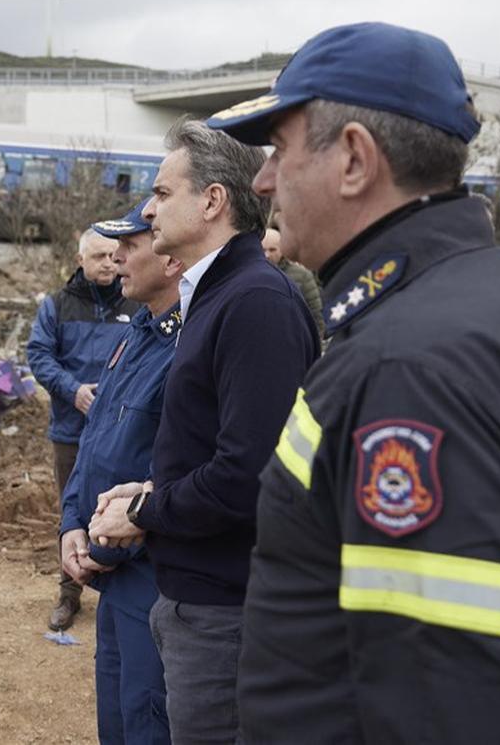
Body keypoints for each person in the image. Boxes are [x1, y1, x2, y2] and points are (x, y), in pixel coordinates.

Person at [204, 21, 500, 743]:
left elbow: (453, 705)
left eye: (280, 151)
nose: (262, 181)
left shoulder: (406, 367)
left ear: (354, 159)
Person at [88, 121, 319, 745]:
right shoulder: (218, 296)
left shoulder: (253, 302)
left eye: (162, 194)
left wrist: (147, 507)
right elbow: (220, 446)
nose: (147, 208)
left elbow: (251, 477)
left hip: (225, 608)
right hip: (199, 593)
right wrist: (151, 488)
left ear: (212, 201)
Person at [59, 199, 183, 745]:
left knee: (147, 719)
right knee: (115, 715)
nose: (117, 258)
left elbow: (169, 469)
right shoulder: (138, 332)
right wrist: (71, 524)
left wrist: (102, 549)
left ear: (171, 260)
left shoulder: (188, 345)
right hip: (109, 565)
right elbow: (95, 445)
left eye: (131, 246)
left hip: (146, 572)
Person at [28, 228, 137, 631]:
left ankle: (120, 591)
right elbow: (38, 355)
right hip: (71, 428)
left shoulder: (136, 301)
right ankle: (69, 592)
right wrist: (73, 391)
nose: (108, 263)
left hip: (123, 430)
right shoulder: (56, 305)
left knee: (124, 507)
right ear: (81, 261)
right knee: (71, 510)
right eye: (99, 258)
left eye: (113, 256)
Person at [261, 226, 324, 337]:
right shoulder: (249, 276)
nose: (267, 255)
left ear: (281, 250)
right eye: (263, 250)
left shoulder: (302, 276)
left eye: (272, 250)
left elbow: (316, 315)